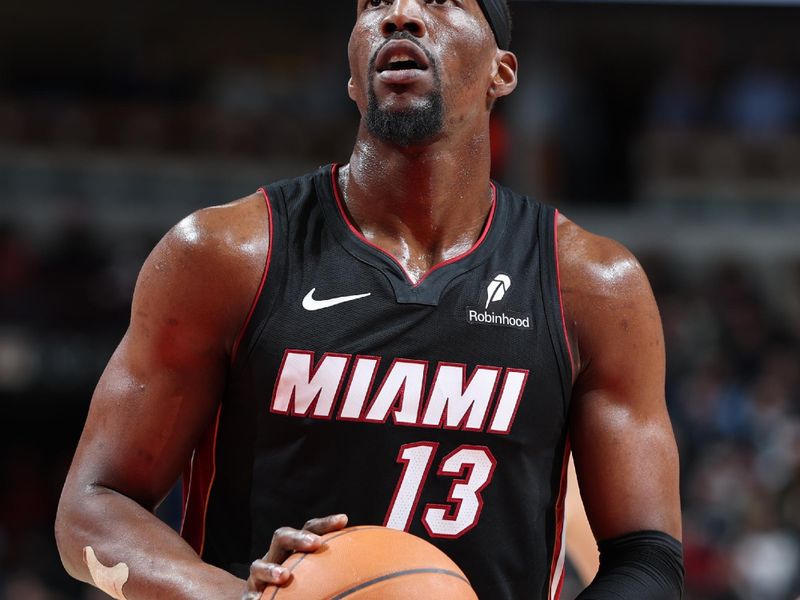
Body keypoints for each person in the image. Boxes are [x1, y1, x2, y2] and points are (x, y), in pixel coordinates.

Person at [55, 1, 684, 598]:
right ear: (353, 77)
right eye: (373, 4)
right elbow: (91, 507)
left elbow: (647, 555)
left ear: (502, 71)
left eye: (441, 2)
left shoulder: (592, 284)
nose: (401, 14)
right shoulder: (227, 254)